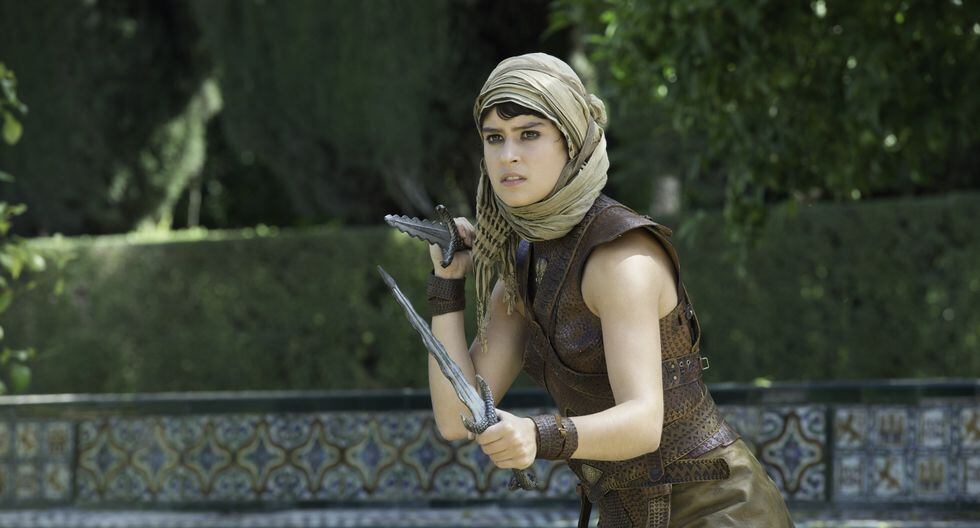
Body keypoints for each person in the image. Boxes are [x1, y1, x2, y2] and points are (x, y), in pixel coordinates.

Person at [424, 52, 794, 527]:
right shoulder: (524, 264)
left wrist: (539, 434)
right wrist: (447, 286)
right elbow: (456, 418)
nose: (507, 155)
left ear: (571, 141)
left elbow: (643, 422)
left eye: (529, 134)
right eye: (494, 138)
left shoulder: (620, 257)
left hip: (720, 510)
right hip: (628, 514)